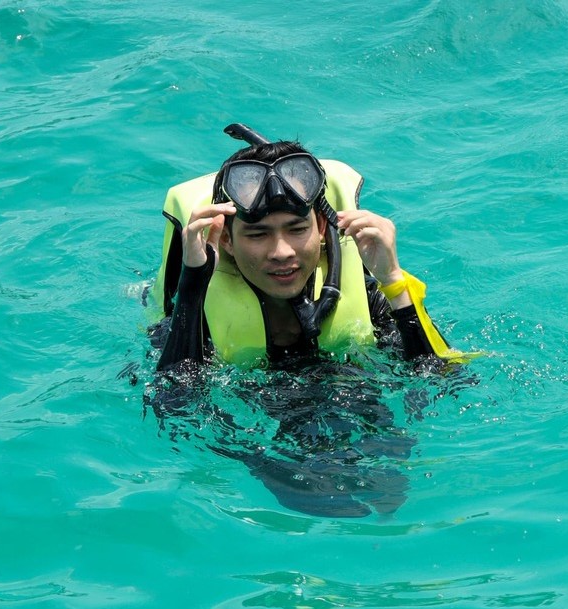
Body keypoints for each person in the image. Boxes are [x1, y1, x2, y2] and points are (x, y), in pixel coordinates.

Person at [146, 125, 465, 517]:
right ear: (226, 240)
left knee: (390, 487)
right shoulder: (196, 308)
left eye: (297, 229)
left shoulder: (362, 289)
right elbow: (174, 407)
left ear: (322, 228)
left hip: (342, 383)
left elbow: (443, 378)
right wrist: (194, 282)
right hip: (256, 409)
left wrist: (394, 281)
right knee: (319, 499)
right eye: (258, 235)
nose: (282, 252)